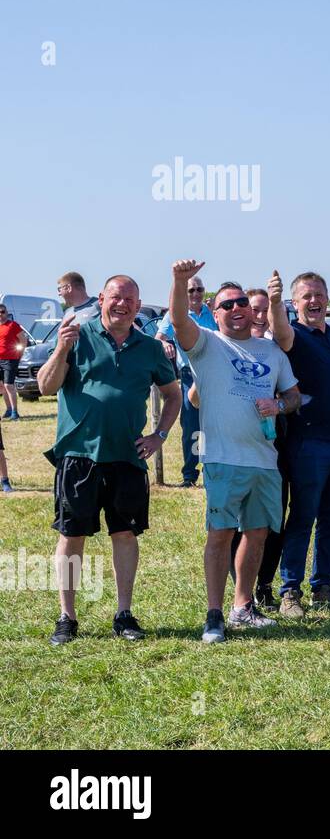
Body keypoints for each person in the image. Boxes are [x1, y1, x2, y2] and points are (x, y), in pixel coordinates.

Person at [39, 275, 181, 645]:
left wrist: (159, 435)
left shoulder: (149, 348)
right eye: (116, 297)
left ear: (138, 304)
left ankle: (124, 613)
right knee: (71, 536)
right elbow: (45, 386)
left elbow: (173, 395)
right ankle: (66, 617)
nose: (123, 305)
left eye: (131, 300)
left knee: (125, 534)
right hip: (79, 456)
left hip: (127, 458)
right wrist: (60, 350)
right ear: (102, 298)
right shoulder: (76, 335)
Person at [168, 262, 301, 643]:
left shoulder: (271, 351)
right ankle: (214, 615)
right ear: (214, 312)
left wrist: (280, 405)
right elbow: (178, 321)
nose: (236, 308)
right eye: (226, 305)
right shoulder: (207, 344)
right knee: (220, 534)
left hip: (264, 460)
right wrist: (179, 282)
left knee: (257, 534)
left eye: (242, 301)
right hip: (224, 460)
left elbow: (293, 394)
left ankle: (242, 607)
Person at [269, 270, 330, 615]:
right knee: (303, 517)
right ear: (295, 303)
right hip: (310, 444)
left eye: (319, 294)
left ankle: (323, 586)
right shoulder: (296, 337)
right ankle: (290, 592)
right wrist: (275, 304)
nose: (315, 301)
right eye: (306, 296)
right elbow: (280, 332)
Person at [157, 274, 218, 487]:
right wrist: (165, 345)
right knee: (192, 426)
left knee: (212, 424)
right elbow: (159, 339)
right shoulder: (176, 315)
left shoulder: (211, 313)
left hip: (213, 374)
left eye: (199, 289)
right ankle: (190, 475)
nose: (195, 294)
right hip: (189, 375)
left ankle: (211, 468)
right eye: (190, 290)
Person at [0, 303, 29, 420]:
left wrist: (19, 355)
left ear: (7, 313)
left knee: (8, 385)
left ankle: (15, 412)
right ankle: (8, 410)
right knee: (1, 387)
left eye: (3, 312)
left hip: (10, 360)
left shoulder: (13, 325)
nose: (0, 314)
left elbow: (23, 340)